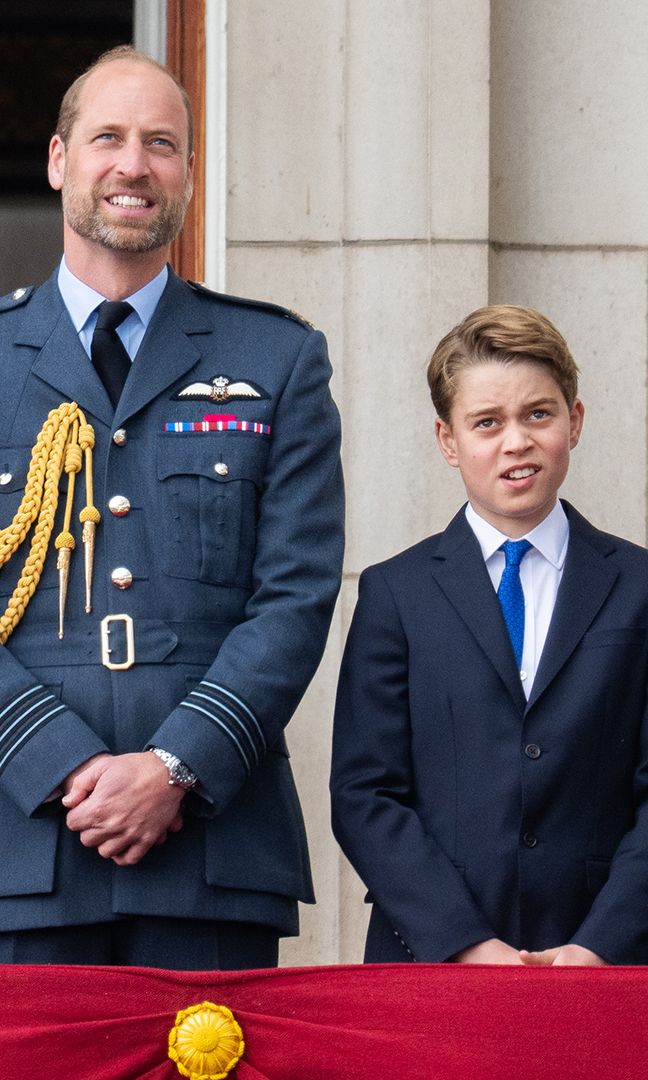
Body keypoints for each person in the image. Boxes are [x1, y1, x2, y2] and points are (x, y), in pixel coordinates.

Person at [0, 47, 344, 968]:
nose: (133, 164)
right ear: (58, 161)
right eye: (107, 137)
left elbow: (297, 597)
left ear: (189, 171)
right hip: (21, 849)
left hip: (212, 850)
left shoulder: (277, 359)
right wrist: (62, 766)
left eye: (162, 143)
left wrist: (174, 767)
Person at [330, 304, 648, 964]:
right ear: (448, 441)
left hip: (598, 959)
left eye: (539, 414)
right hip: (431, 957)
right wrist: (467, 944)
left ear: (575, 421)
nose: (516, 441)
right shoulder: (396, 593)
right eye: (487, 423)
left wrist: (600, 943)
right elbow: (365, 794)